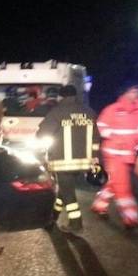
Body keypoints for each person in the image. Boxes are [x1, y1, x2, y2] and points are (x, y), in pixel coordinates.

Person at [91, 83, 138, 229]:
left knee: (113, 182)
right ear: (124, 92)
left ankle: (99, 205)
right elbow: (101, 126)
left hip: (128, 156)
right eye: (133, 90)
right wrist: (115, 137)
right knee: (123, 186)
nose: (136, 93)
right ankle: (130, 217)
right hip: (113, 155)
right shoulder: (112, 109)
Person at [38, 85, 98, 232]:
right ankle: (52, 216)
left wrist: (40, 149)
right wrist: (94, 157)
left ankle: (76, 223)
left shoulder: (57, 112)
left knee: (68, 192)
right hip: (83, 161)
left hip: (62, 162)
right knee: (65, 189)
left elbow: (42, 134)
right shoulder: (89, 112)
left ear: (61, 97)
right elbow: (96, 138)